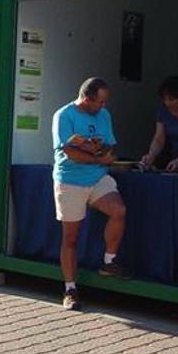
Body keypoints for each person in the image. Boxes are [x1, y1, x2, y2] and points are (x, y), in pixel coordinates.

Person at [52, 77, 130, 311]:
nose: (103, 107)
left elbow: (110, 145)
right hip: (70, 181)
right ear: (86, 99)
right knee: (71, 238)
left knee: (119, 210)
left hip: (97, 177)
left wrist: (106, 152)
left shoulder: (104, 116)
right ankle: (70, 289)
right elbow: (69, 152)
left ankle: (109, 262)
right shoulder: (64, 115)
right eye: (100, 102)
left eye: (105, 102)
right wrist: (98, 158)